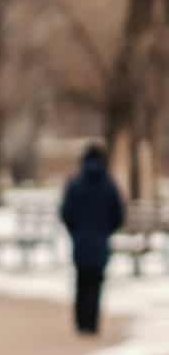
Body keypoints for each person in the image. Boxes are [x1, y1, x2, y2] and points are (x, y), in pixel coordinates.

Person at [58, 142, 126, 336]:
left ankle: (81, 322)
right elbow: (118, 214)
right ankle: (92, 323)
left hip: (80, 241)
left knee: (81, 281)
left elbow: (66, 212)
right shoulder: (109, 185)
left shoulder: (75, 183)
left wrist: (76, 231)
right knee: (96, 283)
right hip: (100, 241)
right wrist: (106, 231)